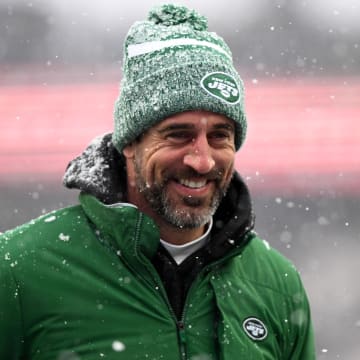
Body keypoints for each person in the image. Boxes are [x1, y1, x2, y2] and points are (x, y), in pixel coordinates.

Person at [0, 3, 315, 359]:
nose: (202, 160)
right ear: (130, 143)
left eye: (220, 136)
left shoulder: (276, 284)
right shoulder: (19, 270)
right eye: (178, 135)